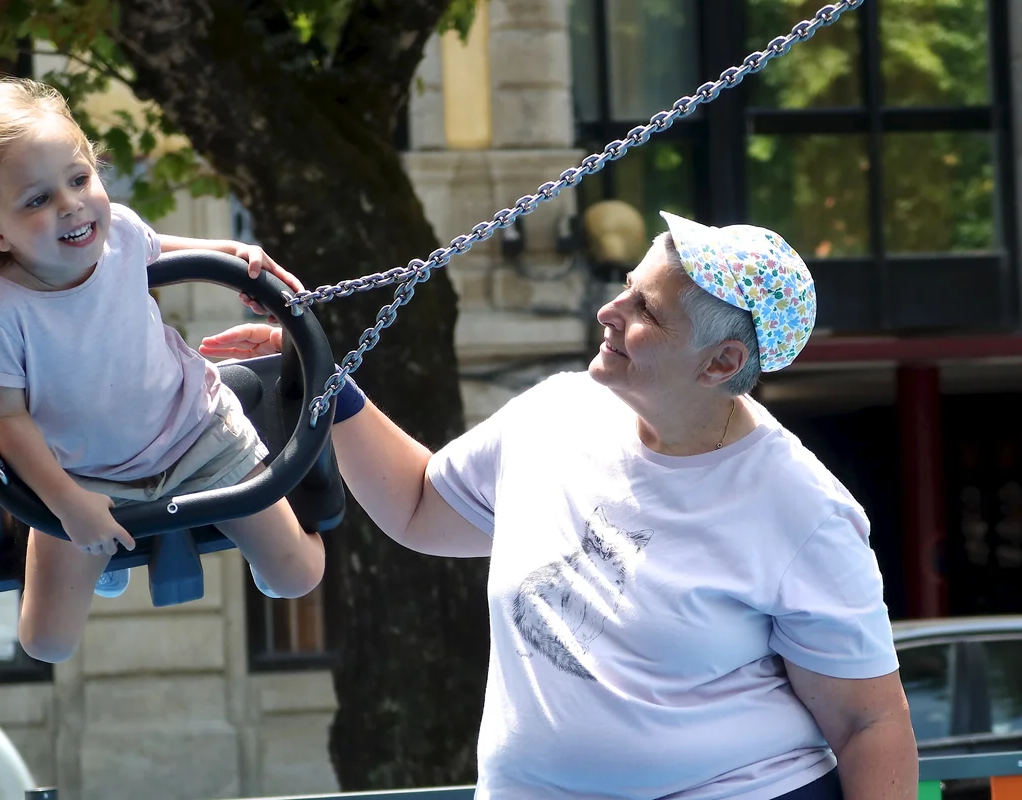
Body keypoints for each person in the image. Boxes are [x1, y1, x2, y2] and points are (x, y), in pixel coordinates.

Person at [202, 212, 919, 799]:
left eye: (646, 309)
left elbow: (870, 724)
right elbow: (418, 505)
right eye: (626, 286)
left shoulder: (804, 509)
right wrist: (325, 379)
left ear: (722, 363)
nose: (610, 310)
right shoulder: (555, 412)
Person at [0, 77, 325, 664]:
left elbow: (169, 247)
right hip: (86, 476)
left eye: (79, 179)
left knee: (298, 577)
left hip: (196, 434)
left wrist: (234, 254)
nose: (70, 205)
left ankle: (249, 553)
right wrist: (66, 502)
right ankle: (103, 560)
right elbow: (4, 418)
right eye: (36, 200)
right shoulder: (2, 309)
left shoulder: (121, 234)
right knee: (46, 643)